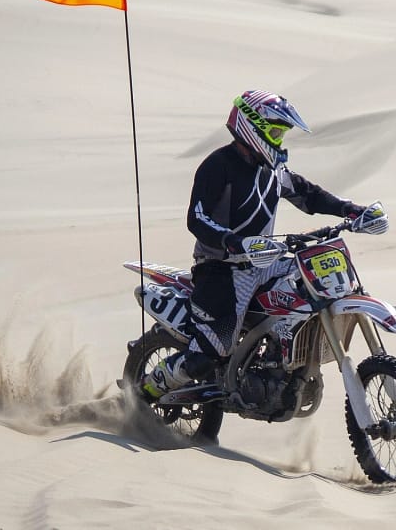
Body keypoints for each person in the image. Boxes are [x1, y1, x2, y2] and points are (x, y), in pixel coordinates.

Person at [140, 90, 367, 399]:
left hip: (265, 261)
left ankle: (279, 359)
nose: (279, 140)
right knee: (212, 351)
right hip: (221, 269)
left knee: (309, 289)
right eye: (275, 132)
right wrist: (234, 242)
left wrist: (350, 209)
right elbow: (197, 218)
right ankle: (148, 389)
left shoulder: (273, 171)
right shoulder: (218, 165)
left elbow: (309, 194)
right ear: (252, 128)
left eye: (282, 134)